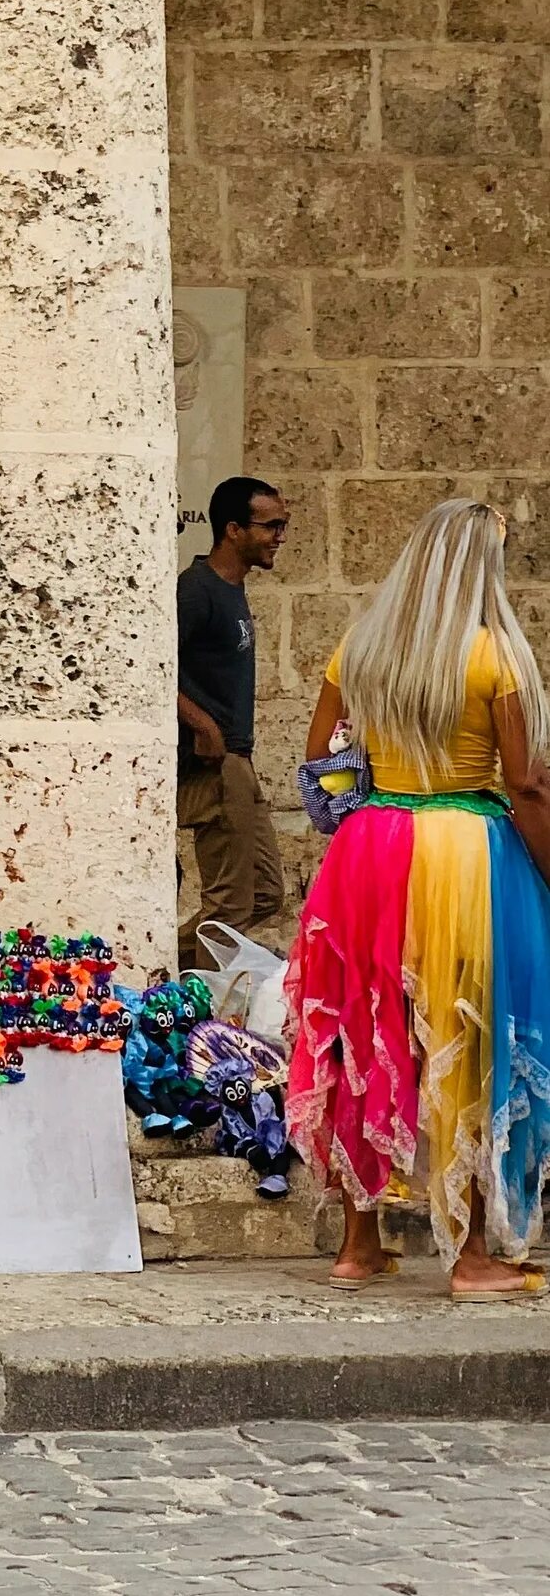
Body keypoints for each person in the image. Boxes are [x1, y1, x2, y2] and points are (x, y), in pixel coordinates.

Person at [287, 498, 550, 1298]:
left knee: (367, 1028)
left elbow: (319, 761)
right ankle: (473, 1256)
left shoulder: (360, 649)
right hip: (468, 850)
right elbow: (527, 780)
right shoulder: (495, 655)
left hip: (369, 848)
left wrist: (365, 814)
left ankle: (356, 1247)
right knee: (472, 1034)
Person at [178, 475, 291, 969]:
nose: (280, 536)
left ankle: (157, 962)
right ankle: (192, 1010)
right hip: (215, 768)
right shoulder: (196, 590)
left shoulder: (232, 589)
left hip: (238, 763)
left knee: (265, 895)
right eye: (271, 526)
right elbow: (146, 667)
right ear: (233, 530)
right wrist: (202, 724)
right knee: (228, 906)